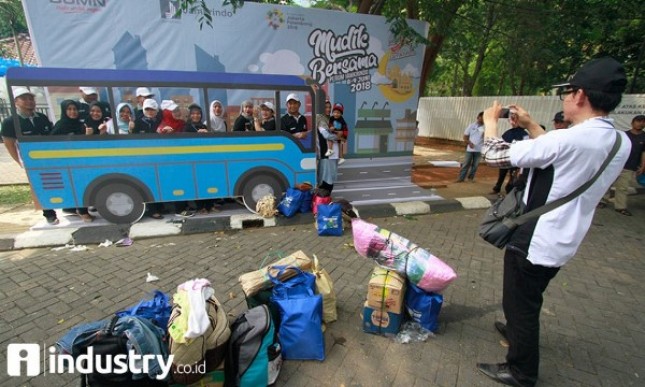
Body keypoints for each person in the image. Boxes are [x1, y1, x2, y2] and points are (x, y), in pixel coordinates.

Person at [477, 57, 631, 387]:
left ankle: (521, 371)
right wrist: (532, 125)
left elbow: (493, 155)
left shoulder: (566, 139)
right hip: (565, 240)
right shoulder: (620, 141)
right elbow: (562, 154)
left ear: (580, 96)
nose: (564, 97)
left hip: (534, 239)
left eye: (567, 91)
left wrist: (490, 123)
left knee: (520, 304)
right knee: (529, 298)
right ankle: (517, 330)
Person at [1, 87, 59, 225]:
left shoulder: (42, 118)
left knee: (54, 183)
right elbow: (9, 144)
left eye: (31, 98)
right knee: (39, 186)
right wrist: (20, 162)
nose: (29, 102)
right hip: (31, 161)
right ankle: (49, 213)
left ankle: (67, 207)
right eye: (24, 99)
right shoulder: (10, 122)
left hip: (48, 159)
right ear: (16, 102)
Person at [51, 99, 95, 222]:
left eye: (75, 109)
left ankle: (77, 209)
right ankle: (82, 211)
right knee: (76, 185)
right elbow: (53, 144)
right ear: (64, 111)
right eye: (69, 109)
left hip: (81, 161)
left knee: (83, 184)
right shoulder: (60, 126)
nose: (73, 112)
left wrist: (87, 136)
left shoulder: (81, 125)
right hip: (67, 162)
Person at [598, 114, 645, 216]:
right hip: (615, 164)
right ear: (632, 123)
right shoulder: (624, 135)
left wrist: (642, 166)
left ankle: (620, 207)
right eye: (638, 121)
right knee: (607, 183)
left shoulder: (644, 137)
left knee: (623, 187)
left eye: (643, 122)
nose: (640, 123)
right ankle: (602, 201)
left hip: (630, 166)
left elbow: (643, 153)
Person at [490, 112, 529, 195]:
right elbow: (501, 142)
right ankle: (498, 187)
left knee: (512, 175)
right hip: (507, 157)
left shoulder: (524, 134)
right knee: (503, 174)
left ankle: (509, 189)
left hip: (513, 158)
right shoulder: (509, 132)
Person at [317, 101, 339, 193]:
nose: (328, 109)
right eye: (326, 107)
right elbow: (326, 135)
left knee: (330, 180)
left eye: (329, 107)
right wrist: (338, 136)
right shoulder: (320, 119)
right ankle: (322, 203)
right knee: (325, 181)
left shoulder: (331, 119)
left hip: (333, 154)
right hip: (325, 154)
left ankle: (326, 202)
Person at [456, 111, 484, 182]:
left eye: (484, 118)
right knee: (466, 164)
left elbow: (487, 138)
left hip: (479, 150)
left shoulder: (486, 127)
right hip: (470, 149)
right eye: (481, 117)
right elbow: (465, 137)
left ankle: (470, 178)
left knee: (475, 166)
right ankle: (461, 178)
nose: (482, 119)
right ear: (478, 117)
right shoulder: (471, 126)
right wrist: (469, 143)